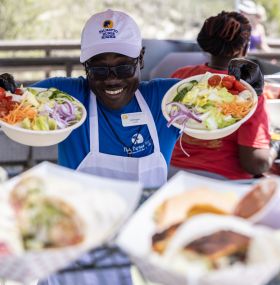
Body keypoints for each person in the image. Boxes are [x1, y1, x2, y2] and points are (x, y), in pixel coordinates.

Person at [0, 9, 265, 285]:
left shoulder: (165, 98)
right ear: (85, 66)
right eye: (99, 69)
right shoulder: (65, 97)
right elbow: (17, 104)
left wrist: (249, 82)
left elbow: (219, 94)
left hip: (143, 248)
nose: (111, 79)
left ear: (140, 59)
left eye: (124, 67)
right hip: (72, 248)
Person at [169, 11, 272, 181]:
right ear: (245, 47)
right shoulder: (249, 92)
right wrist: (275, 148)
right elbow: (254, 163)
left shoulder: (180, 77)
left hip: (172, 174)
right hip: (224, 183)